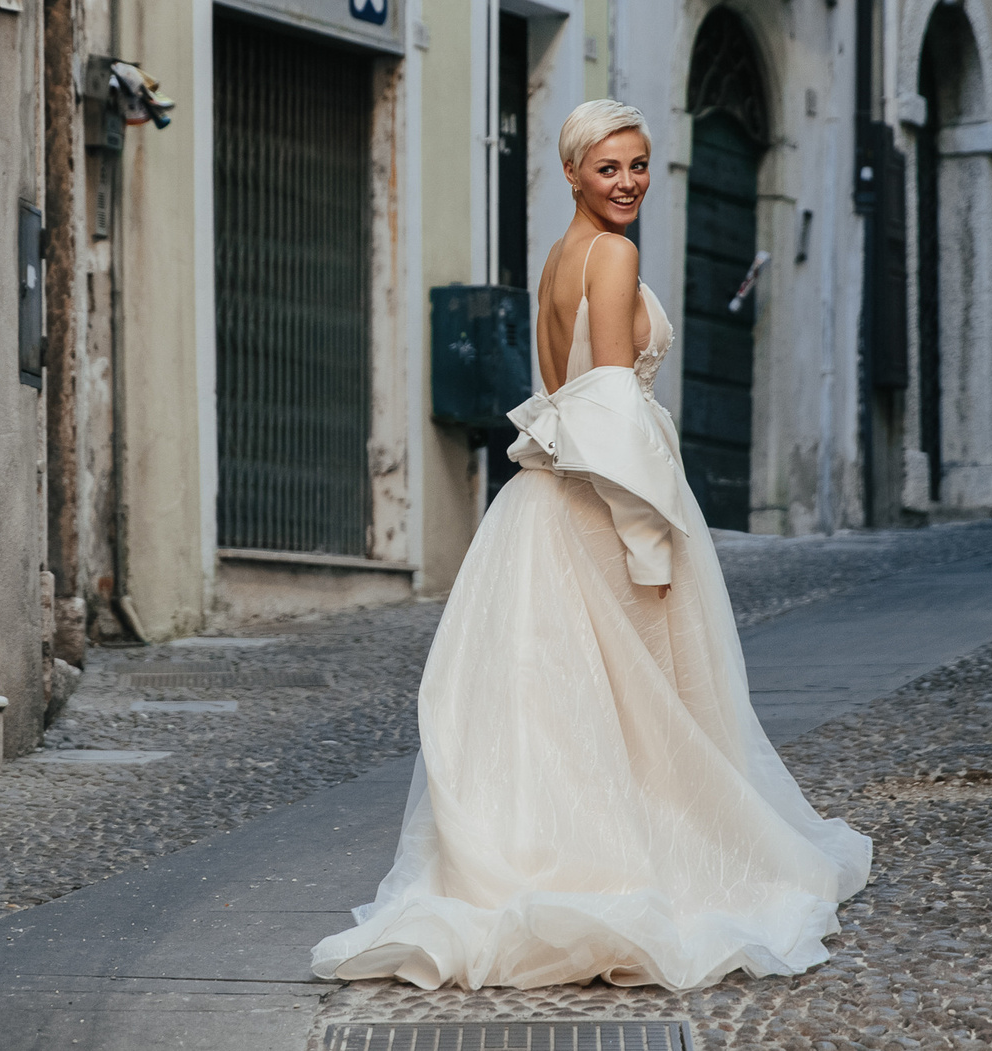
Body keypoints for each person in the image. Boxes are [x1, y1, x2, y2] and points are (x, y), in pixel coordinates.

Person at [312, 98, 870, 991]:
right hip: (602, 502)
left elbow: (561, 390)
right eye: (609, 167)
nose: (628, 183)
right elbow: (608, 406)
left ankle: (554, 863)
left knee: (572, 709)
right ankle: (625, 871)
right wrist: (649, 534)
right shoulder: (612, 254)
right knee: (642, 710)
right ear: (571, 172)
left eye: (641, 165)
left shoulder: (559, 257)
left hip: (541, 504)